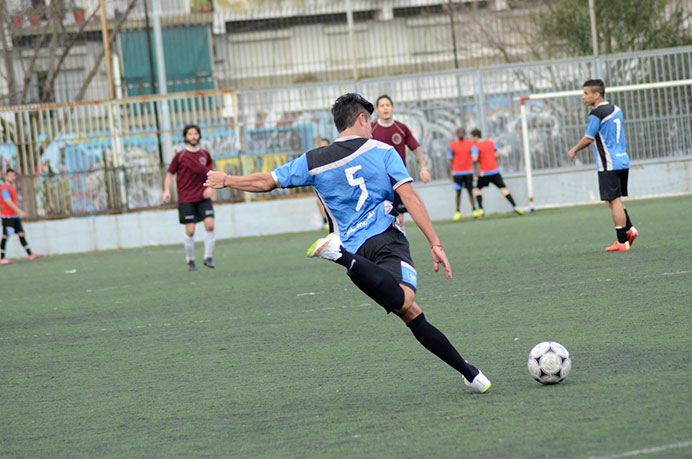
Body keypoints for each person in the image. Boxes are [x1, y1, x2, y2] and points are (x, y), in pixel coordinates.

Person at [205, 93, 491, 394]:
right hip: (385, 238)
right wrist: (435, 242)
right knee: (405, 300)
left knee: (410, 312)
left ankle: (470, 373)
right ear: (362, 119)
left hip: (358, 254)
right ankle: (338, 255)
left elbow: (267, 181)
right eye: (369, 122)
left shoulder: (313, 160)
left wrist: (228, 180)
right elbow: (410, 196)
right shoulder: (383, 150)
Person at [568, 79, 638, 252]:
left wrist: (574, 150)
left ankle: (622, 242)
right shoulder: (616, 109)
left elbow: (588, 138)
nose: (583, 97)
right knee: (612, 200)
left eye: (586, 93)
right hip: (622, 160)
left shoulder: (596, 114)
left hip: (609, 163)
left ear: (596, 94)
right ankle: (630, 230)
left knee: (614, 201)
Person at [371, 95, 430, 231]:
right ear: (377, 110)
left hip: (398, 180)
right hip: (378, 181)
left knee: (400, 219)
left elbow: (416, 149)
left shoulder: (401, 128)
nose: (385, 108)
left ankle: (400, 248)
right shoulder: (371, 130)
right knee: (381, 219)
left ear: (393, 108)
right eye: (382, 106)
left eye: (387, 105)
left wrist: (424, 168)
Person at [163, 124, 217, 271]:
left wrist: (210, 188)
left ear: (199, 136)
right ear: (186, 137)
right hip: (186, 198)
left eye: (195, 134)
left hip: (203, 196)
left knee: (210, 224)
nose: (193, 137)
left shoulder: (205, 154)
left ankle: (208, 257)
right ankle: (191, 259)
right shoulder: (180, 156)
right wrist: (167, 190)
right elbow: (169, 174)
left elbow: (211, 173)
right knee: (191, 230)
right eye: (190, 134)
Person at [470, 129, 524, 217]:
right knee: (503, 189)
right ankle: (515, 206)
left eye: (472, 137)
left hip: (485, 172)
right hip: (495, 171)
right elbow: (499, 152)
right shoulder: (490, 142)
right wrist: (492, 158)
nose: (471, 139)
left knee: (478, 189)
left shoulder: (475, 146)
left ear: (476, 137)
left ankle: (481, 210)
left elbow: (475, 159)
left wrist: (476, 160)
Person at [1, 169, 43, 264]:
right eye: (10, 176)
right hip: (8, 217)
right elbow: (8, 201)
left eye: (14, 176)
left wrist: (17, 213)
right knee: (5, 236)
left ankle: (30, 254)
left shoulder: (11, 187)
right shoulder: (4, 188)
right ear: (6, 177)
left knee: (21, 234)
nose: (13, 178)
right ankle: (2, 258)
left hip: (14, 216)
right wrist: (19, 211)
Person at [448, 127, 477, 221]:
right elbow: (450, 160)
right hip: (457, 173)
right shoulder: (452, 145)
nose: (461, 134)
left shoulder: (470, 143)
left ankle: (474, 210)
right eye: (459, 132)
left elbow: (474, 158)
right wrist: (451, 172)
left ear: (465, 133)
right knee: (458, 192)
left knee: (470, 191)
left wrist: (476, 170)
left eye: (462, 132)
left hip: (468, 171)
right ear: (457, 134)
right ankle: (457, 212)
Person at [316, 137, 330, 230]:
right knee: (319, 201)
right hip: (322, 183)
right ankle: (326, 222)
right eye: (321, 146)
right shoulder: (317, 159)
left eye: (325, 146)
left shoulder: (333, 157)